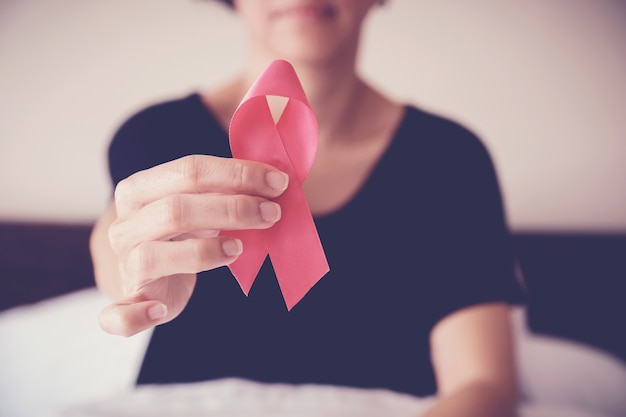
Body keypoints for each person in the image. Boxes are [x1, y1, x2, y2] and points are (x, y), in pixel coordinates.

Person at [90, 1, 522, 415]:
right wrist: (131, 272)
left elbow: (483, 384)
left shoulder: (448, 158)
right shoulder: (157, 135)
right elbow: (116, 239)